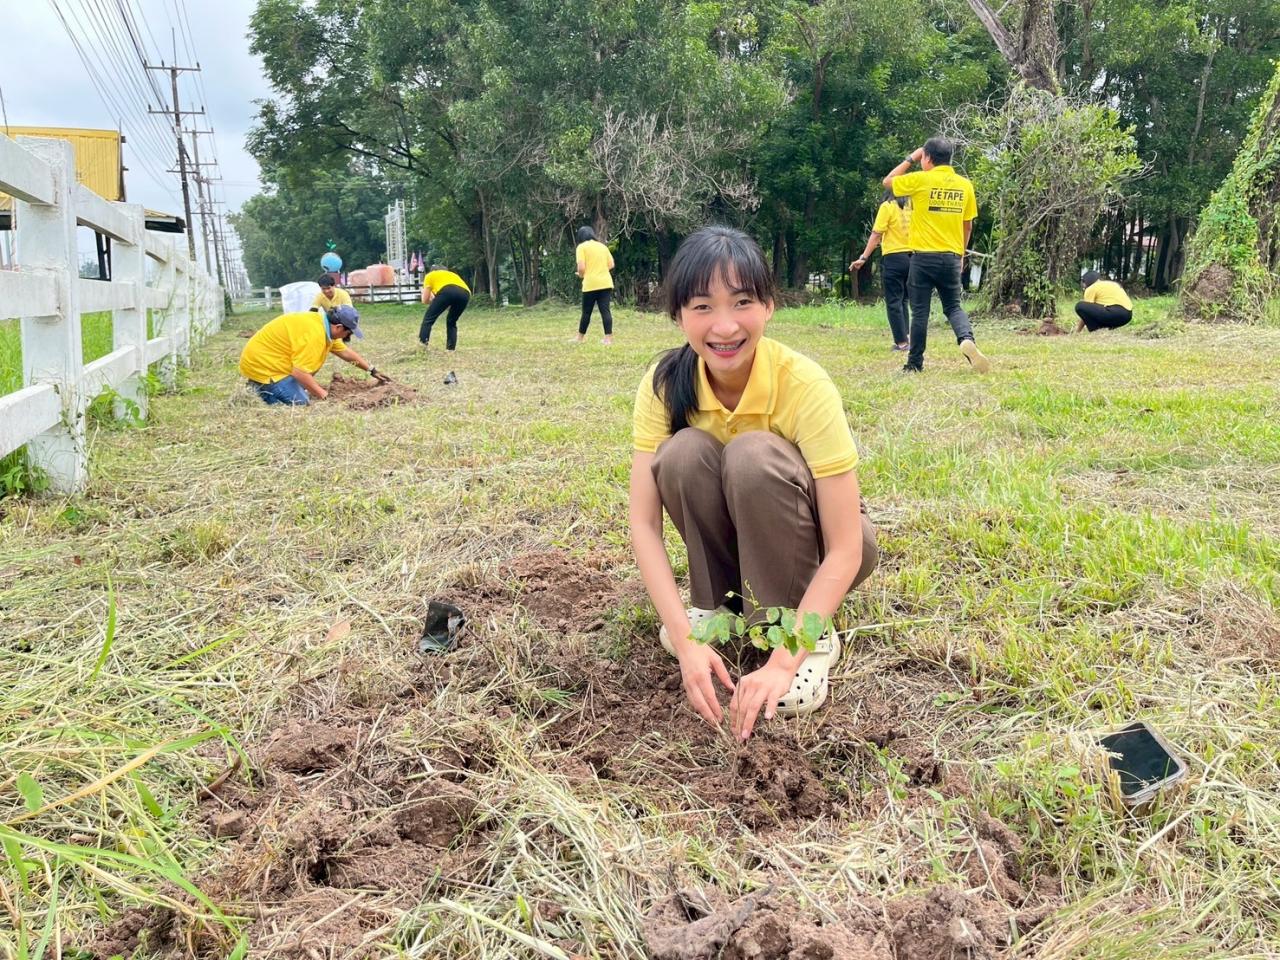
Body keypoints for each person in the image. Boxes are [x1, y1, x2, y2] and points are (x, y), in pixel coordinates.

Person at [630, 225, 879, 742]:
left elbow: (848, 546)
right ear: (677, 315)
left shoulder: (804, 384)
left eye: (742, 301)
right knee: (682, 453)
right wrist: (684, 636)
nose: (724, 326)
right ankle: (717, 609)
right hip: (737, 551)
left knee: (751, 454)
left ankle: (808, 633)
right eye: (702, 306)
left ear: (769, 306)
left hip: (821, 551)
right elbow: (643, 525)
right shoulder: (664, 384)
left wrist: (787, 660)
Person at [882, 138, 991, 374]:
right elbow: (968, 225)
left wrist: (912, 157)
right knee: (953, 306)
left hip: (922, 258)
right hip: (952, 256)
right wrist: (961, 253)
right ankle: (965, 338)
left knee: (920, 311)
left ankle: (914, 363)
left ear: (927, 158)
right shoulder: (965, 185)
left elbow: (888, 182)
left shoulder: (921, 179)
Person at [239, 304, 390, 405]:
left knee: (305, 388)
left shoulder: (323, 325)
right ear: (338, 327)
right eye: (348, 333)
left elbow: (344, 352)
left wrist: (372, 370)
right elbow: (299, 372)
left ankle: (264, 384)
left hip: (270, 360)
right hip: (265, 367)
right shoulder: (315, 335)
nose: (347, 337)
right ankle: (262, 390)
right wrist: (325, 397)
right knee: (302, 403)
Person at [851, 190, 912, 351]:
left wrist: (863, 258)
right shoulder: (912, 207)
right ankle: (908, 337)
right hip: (913, 258)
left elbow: (876, 234)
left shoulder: (887, 207)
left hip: (894, 258)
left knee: (894, 302)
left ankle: (902, 343)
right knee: (904, 300)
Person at [574, 226, 616, 344]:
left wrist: (582, 275)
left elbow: (581, 268)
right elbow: (611, 264)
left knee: (586, 312)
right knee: (605, 311)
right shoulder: (602, 246)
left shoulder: (581, 247)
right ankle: (608, 339)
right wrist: (601, 270)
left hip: (591, 284)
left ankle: (580, 338)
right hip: (605, 283)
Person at [420, 265, 471, 351]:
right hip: (465, 293)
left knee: (428, 320)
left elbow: (425, 300)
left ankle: (422, 347)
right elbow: (449, 301)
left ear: (432, 271)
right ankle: (450, 349)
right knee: (452, 322)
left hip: (446, 290)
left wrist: (424, 292)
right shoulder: (453, 275)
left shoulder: (430, 275)